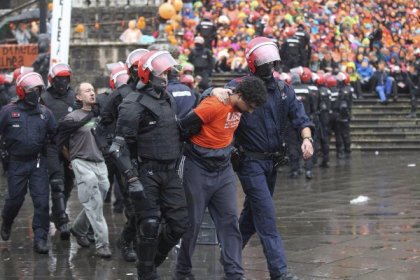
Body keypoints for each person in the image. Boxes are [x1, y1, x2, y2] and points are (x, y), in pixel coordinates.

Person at [222, 37, 314, 280]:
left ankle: (228, 255)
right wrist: (215, 91)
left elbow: (301, 118)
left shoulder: (283, 90)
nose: (268, 68)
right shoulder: (238, 87)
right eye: (264, 64)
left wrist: (307, 139)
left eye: (271, 64)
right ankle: (279, 271)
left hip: (272, 162)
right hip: (249, 162)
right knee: (266, 215)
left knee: (252, 216)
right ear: (253, 64)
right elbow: (215, 101)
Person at [176, 76, 267, 280]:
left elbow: (235, 85)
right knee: (192, 223)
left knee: (230, 223)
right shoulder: (214, 105)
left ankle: (234, 273)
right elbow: (182, 126)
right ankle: (182, 272)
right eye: (249, 106)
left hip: (223, 169)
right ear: (240, 96)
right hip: (197, 167)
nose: (250, 111)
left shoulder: (236, 98)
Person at [110, 50, 189, 279]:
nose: (165, 77)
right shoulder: (132, 104)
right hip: (147, 171)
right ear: (147, 75)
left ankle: (151, 263)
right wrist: (132, 178)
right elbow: (117, 147)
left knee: (179, 224)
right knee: (150, 224)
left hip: (170, 172)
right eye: (161, 73)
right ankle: (146, 273)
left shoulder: (168, 98)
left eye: (166, 72)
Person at [95, 49, 150, 263]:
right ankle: (129, 241)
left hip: (150, 155)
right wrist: (107, 148)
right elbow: (101, 126)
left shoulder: (158, 93)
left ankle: (139, 239)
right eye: (137, 68)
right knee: (131, 202)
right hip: (126, 156)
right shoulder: (119, 94)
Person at [0, 72, 56, 254]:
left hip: (38, 162)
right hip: (16, 163)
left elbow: (55, 137)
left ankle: (40, 239)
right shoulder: (8, 111)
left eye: (38, 89)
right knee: (15, 199)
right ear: (21, 91)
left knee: (41, 202)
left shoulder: (45, 113)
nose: (35, 93)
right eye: (31, 90)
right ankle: (7, 222)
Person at [58, 82, 111, 258]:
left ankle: (79, 228)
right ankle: (102, 244)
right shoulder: (71, 118)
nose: (92, 93)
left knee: (101, 193)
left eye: (93, 90)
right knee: (94, 202)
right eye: (87, 91)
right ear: (79, 97)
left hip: (100, 161)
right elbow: (61, 142)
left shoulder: (99, 115)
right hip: (82, 162)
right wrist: (71, 159)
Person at [40, 63, 75, 240]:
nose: (62, 82)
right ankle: (62, 220)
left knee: (69, 182)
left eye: (65, 78)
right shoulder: (44, 98)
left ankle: (57, 210)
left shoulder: (73, 96)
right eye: (59, 79)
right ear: (52, 80)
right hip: (52, 144)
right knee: (57, 182)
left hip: (71, 146)